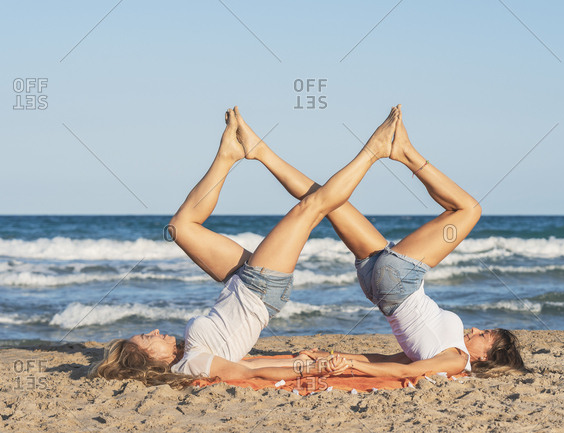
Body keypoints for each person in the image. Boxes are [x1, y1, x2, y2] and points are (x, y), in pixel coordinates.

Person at [89, 105, 401, 388]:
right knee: (312, 207)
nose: (154, 332)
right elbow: (250, 372)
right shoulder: (193, 364)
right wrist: (310, 367)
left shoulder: (189, 354)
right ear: (147, 358)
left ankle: (228, 155)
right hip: (260, 288)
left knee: (180, 228)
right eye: (147, 338)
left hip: (240, 280)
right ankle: (373, 151)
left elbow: (247, 364)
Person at [246, 104, 526, 379]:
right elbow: (388, 360)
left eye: (484, 335)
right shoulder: (447, 354)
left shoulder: (455, 361)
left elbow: (402, 371)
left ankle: (406, 154)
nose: (476, 330)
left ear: (486, 357)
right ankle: (260, 152)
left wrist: (353, 367)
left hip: (399, 282)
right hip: (380, 285)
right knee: (327, 200)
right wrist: (334, 357)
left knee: (469, 210)